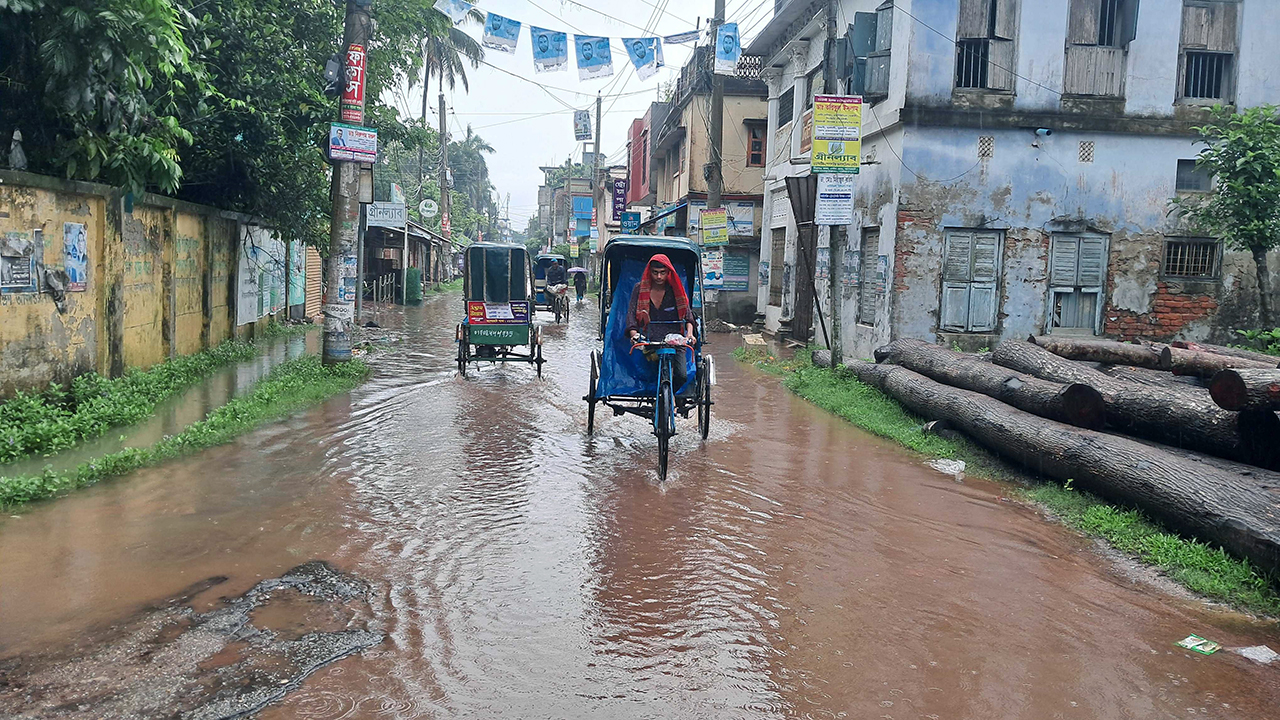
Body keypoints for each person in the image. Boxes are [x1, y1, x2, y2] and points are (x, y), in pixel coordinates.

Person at [627, 254, 696, 388]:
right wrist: (634, 335)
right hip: (650, 340)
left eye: (662, 273)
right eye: (655, 272)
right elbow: (631, 315)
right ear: (650, 272)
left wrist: (689, 334)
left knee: (681, 375)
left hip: (675, 340)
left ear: (668, 272)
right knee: (650, 373)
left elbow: (687, 315)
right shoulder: (639, 289)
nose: (659, 277)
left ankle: (669, 395)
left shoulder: (676, 289)